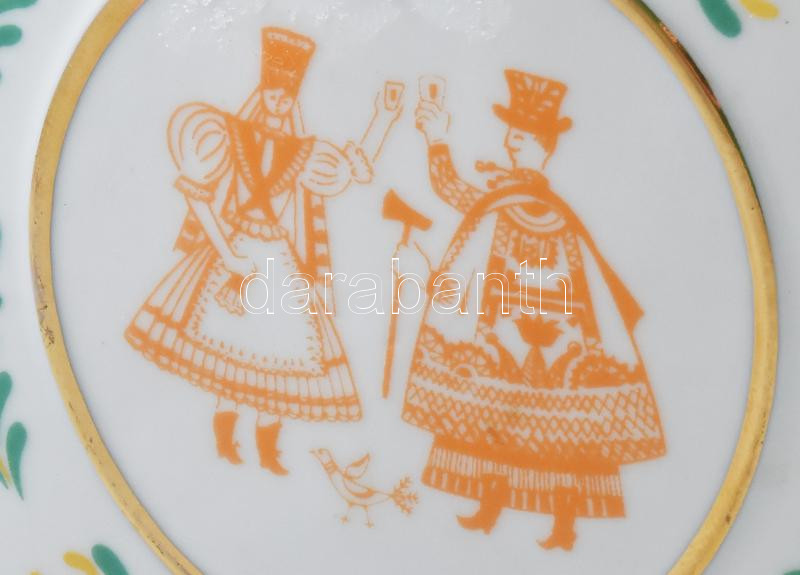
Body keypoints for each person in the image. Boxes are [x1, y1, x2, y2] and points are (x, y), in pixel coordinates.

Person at [398, 69, 666, 549]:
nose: (509, 144)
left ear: (542, 146)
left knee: (545, 422)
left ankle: (559, 522)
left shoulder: (521, 202)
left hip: (546, 329)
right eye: (510, 135)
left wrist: (436, 139)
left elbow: (453, 191)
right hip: (514, 325)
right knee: (505, 417)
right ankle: (496, 506)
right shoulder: (521, 200)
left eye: (518, 138)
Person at [126, 27, 401, 475]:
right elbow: (197, 195)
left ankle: (268, 450)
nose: (279, 101)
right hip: (234, 255)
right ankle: (224, 443)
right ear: (263, 88)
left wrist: (383, 119)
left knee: (280, 355)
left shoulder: (303, 153)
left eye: (287, 94)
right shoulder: (229, 135)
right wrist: (227, 255)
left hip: (276, 260)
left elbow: (350, 172)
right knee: (227, 351)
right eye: (274, 91)